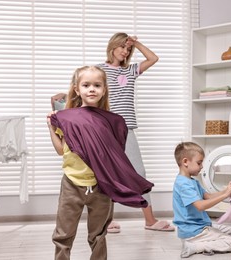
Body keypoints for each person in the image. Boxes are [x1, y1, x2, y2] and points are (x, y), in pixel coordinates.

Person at [51, 33, 174, 233]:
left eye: (128, 49)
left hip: (126, 127)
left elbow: (153, 59)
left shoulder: (131, 70)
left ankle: (149, 220)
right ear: (113, 46)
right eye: (122, 47)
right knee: (105, 172)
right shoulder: (100, 70)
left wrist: (137, 43)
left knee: (138, 172)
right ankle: (107, 220)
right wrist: (65, 95)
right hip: (103, 126)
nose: (125, 51)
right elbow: (86, 86)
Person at [47, 66, 153, 260]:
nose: (92, 89)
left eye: (97, 85)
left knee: (98, 234)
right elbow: (62, 150)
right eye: (86, 85)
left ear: (104, 89)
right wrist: (51, 128)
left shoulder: (111, 121)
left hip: (100, 185)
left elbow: (114, 155)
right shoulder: (67, 118)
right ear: (77, 89)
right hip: (72, 183)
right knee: (63, 234)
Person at [172, 141, 231, 258]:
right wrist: (224, 195)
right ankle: (195, 246)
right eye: (199, 163)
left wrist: (226, 190)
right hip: (193, 231)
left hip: (200, 226)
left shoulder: (192, 181)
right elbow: (200, 206)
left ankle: (199, 241)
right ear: (185, 162)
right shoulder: (183, 184)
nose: (201, 167)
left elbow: (208, 197)